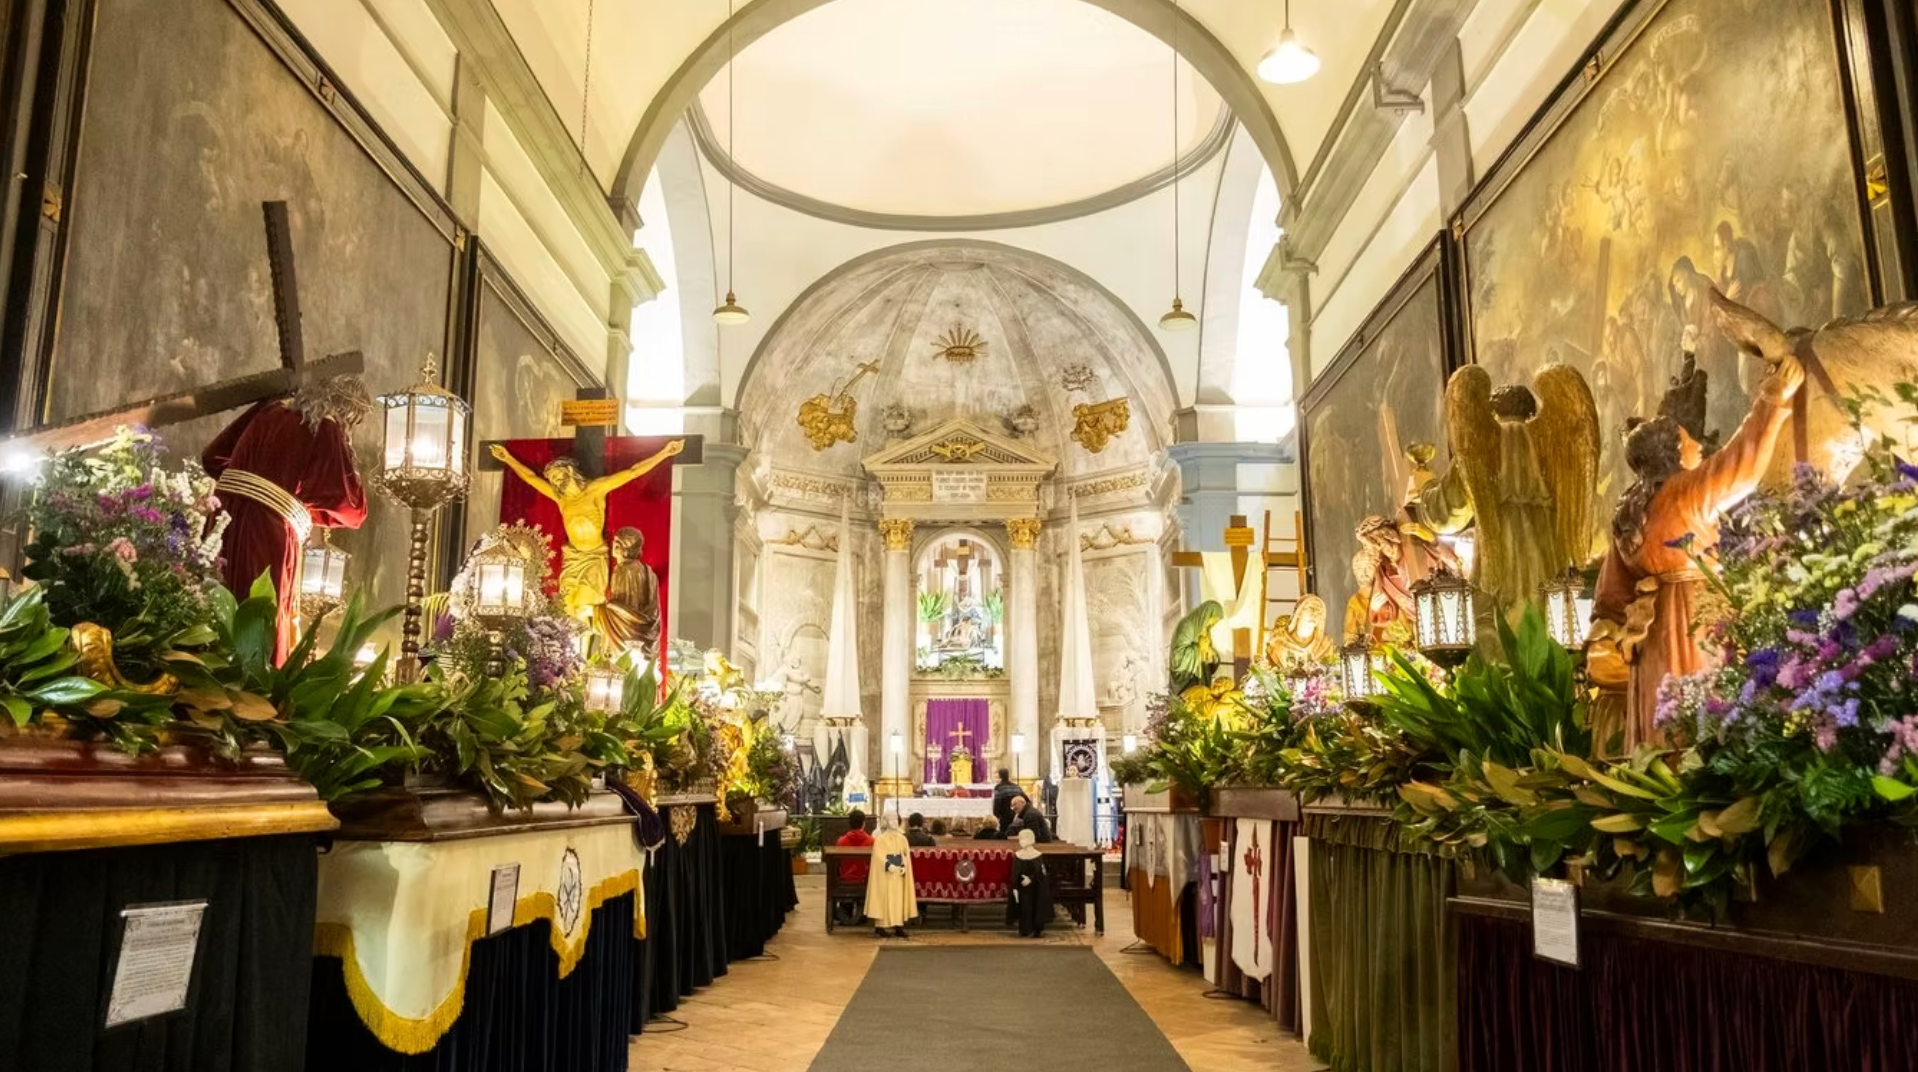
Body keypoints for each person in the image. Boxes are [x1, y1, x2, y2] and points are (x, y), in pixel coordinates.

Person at [1007, 829, 1053, 938]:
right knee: (1024, 907)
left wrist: (1031, 879)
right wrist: (1014, 888)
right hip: (1022, 889)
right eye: (1020, 839)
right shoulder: (1018, 855)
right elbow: (1014, 874)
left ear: (1030, 839)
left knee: (1036, 905)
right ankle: (1024, 929)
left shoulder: (1037, 855)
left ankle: (1037, 928)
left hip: (1036, 888)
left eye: (1023, 839)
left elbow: (1041, 874)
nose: (1020, 841)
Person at [833, 810, 873, 926]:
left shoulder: (841, 841)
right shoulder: (871, 841)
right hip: (865, 881)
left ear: (849, 823)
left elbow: (838, 863)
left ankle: (846, 910)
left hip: (845, 881)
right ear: (863, 823)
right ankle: (862, 911)